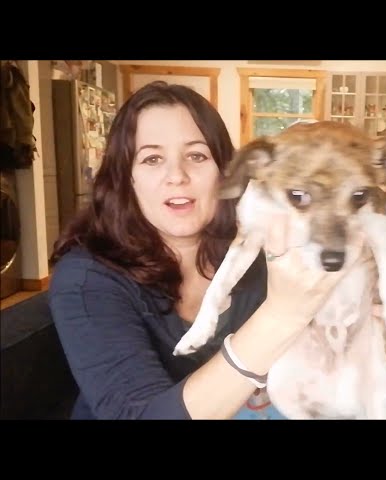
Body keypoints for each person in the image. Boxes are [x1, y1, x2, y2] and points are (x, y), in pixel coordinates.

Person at [47, 81, 368, 420]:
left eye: (196, 156)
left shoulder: (264, 253)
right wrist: (283, 315)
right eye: (152, 158)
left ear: (226, 171)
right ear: (127, 177)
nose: (177, 176)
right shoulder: (86, 278)